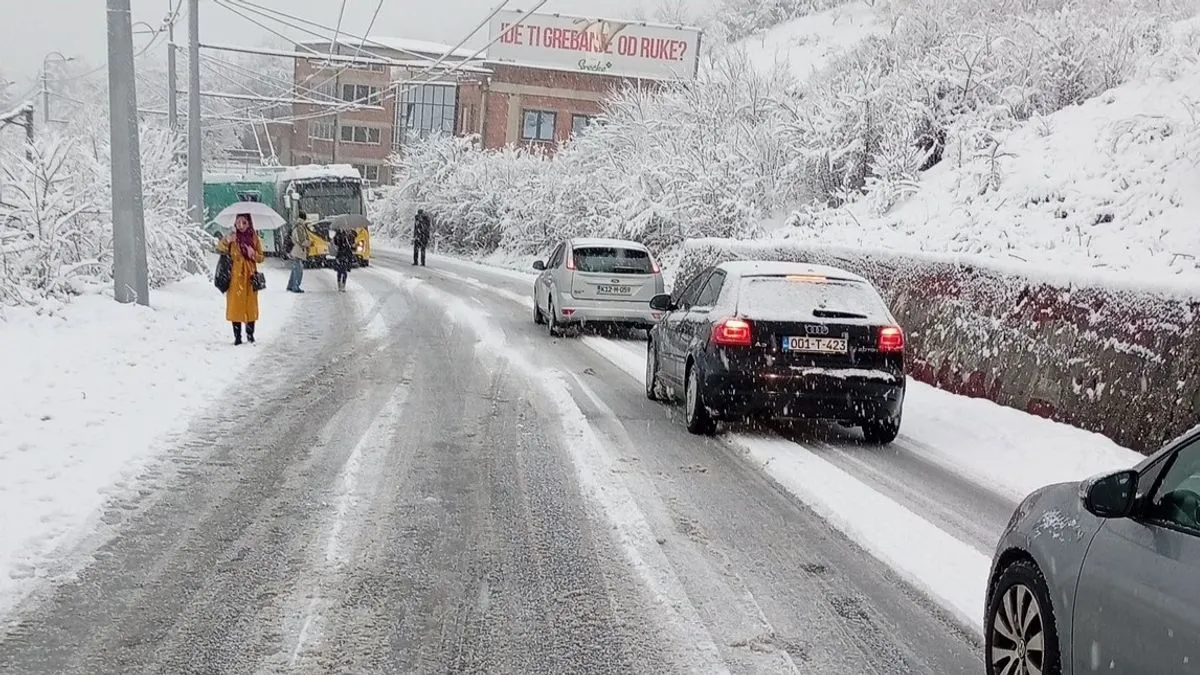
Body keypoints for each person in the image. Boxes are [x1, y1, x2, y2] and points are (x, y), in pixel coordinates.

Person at [216, 213, 265, 345]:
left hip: (250, 277)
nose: (241, 225)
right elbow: (219, 248)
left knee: (250, 306)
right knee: (235, 307)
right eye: (238, 222)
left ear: (249, 223)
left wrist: (253, 254)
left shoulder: (254, 238)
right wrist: (227, 241)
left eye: (244, 222)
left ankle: (250, 334)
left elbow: (261, 258)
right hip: (235, 277)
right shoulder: (232, 237)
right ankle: (237, 337)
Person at [287, 211, 311, 293]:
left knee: (295, 269)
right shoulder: (300, 227)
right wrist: (309, 243)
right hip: (298, 250)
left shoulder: (296, 225)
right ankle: (295, 286)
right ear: (304, 218)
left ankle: (290, 285)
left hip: (295, 250)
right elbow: (301, 240)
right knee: (298, 270)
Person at [332, 227, 356, 292]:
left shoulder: (350, 235)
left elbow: (353, 245)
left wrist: (351, 242)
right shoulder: (339, 235)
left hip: (346, 255)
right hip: (341, 254)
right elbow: (336, 243)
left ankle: (343, 285)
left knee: (344, 271)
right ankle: (340, 285)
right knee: (340, 270)